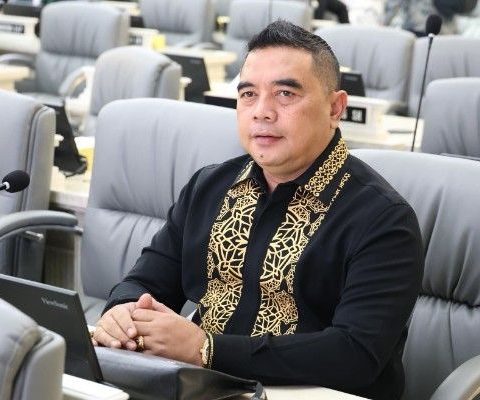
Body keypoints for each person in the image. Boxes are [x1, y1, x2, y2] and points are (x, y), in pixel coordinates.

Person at [92, 20, 423, 400]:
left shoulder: (383, 218)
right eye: (248, 94)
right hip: (202, 386)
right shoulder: (210, 186)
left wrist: (205, 349)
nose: (262, 112)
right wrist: (122, 312)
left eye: (285, 94)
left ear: (335, 108)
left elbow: (355, 354)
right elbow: (145, 280)